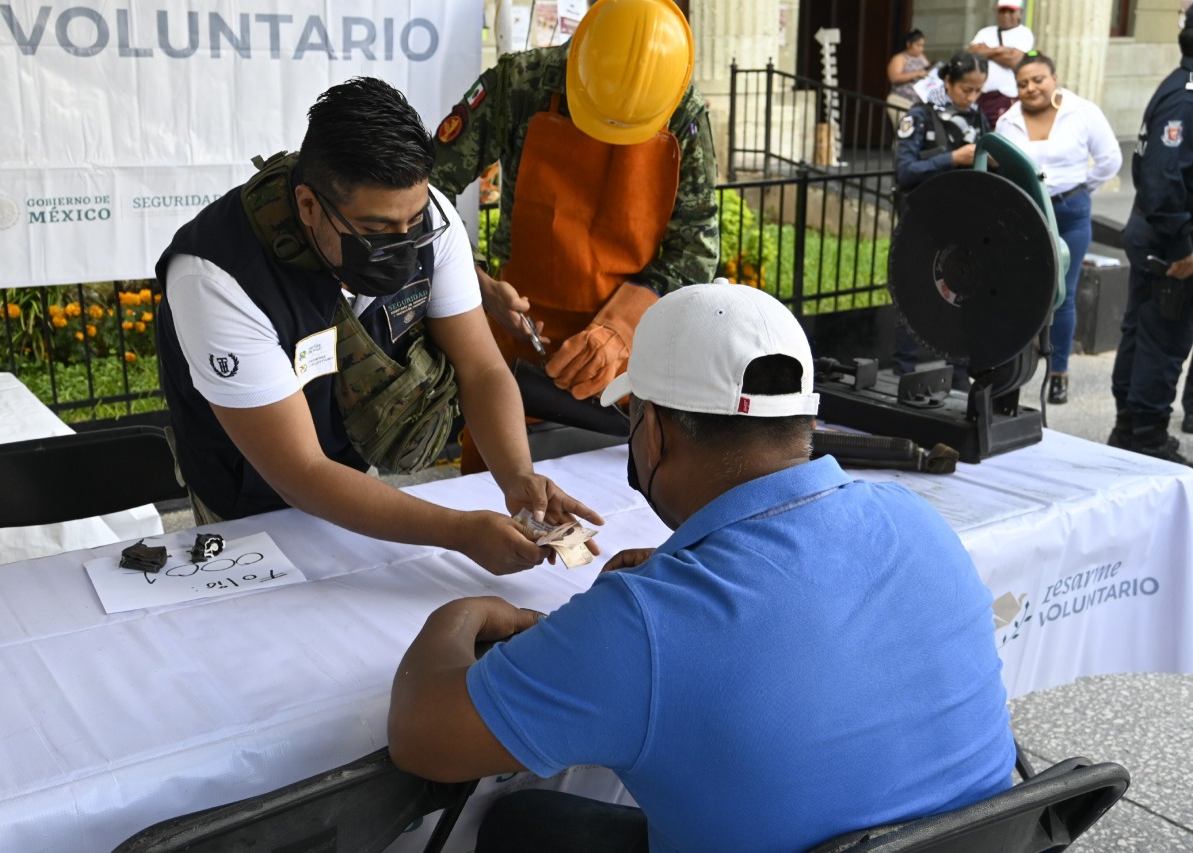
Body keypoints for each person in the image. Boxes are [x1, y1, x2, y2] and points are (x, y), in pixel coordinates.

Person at [388, 284, 1015, 852]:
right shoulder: (919, 521)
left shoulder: (647, 622)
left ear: (654, 432)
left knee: (519, 826)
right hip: (968, 840)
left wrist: (462, 614)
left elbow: (422, 739)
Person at [155, 78, 602, 575]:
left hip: (351, 480)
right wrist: (458, 532)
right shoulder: (218, 276)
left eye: (413, 224)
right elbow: (300, 473)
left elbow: (482, 369)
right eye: (375, 231)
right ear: (309, 206)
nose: (404, 245)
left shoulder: (428, 216)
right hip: (245, 500)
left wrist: (518, 476)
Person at [429, 0, 719, 472]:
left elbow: (696, 248)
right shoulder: (519, 84)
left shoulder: (681, 108)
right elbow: (424, 190)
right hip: (517, 356)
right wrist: (477, 286)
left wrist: (619, 332)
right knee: (502, 509)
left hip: (631, 373)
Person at [996, 53, 1122, 405]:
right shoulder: (1007, 121)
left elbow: (1111, 159)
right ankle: (1014, 372)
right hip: (1028, 214)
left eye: (1038, 79)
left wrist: (1079, 190)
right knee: (1022, 291)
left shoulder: (1082, 112)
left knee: (1063, 293)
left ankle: (1058, 372)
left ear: (1054, 78)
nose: (1031, 88)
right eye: (1023, 83)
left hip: (1070, 212)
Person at [1108, 13, 1193, 464]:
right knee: (1164, 338)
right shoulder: (1186, 97)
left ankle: (1130, 425)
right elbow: (1162, 181)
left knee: (1143, 332)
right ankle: (1145, 434)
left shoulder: (1181, 84)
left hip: (1155, 232)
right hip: (1167, 240)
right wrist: (1184, 246)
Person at [894, 51, 991, 389]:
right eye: (966, 89)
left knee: (961, 293)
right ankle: (904, 370)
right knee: (911, 288)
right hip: (922, 220)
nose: (972, 97)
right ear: (947, 82)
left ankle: (959, 371)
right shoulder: (920, 115)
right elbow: (905, 171)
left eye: (979, 90)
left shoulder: (978, 118)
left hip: (963, 220)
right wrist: (952, 158)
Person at [968, 0, 1035, 125]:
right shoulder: (986, 32)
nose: (1006, 15)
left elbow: (1014, 61)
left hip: (1005, 95)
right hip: (980, 95)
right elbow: (972, 53)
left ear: (1019, 13)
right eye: (1002, 11)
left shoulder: (1024, 33)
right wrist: (1000, 49)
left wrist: (986, 51)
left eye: (1010, 11)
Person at [887, 29, 930, 111]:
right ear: (908, 44)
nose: (921, 49)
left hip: (921, 101)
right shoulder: (900, 58)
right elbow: (894, 77)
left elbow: (927, 69)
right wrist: (915, 74)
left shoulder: (921, 57)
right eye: (918, 45)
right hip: (903, 100)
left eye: (922, 46)